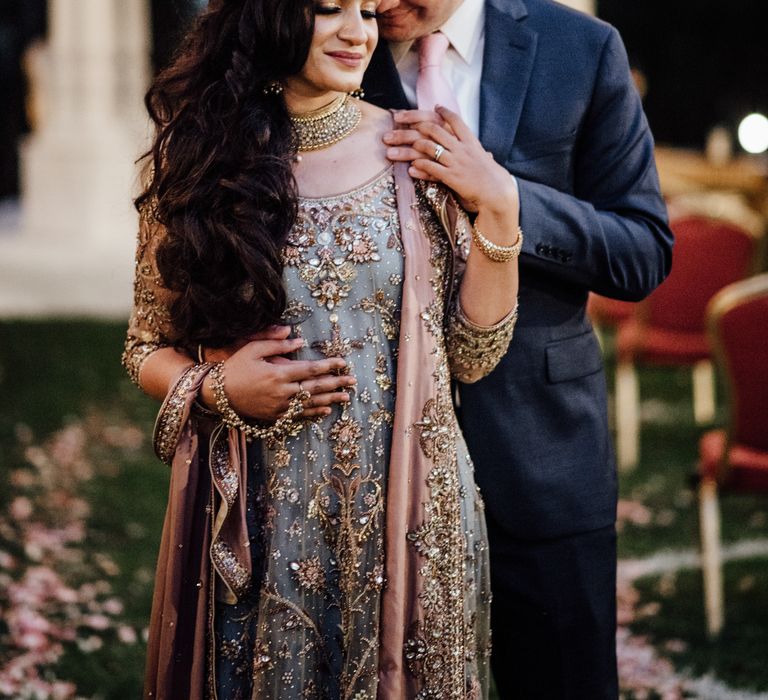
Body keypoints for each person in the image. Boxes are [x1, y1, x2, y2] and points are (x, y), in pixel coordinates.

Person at [122, 0, 522, 697]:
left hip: (410, 512)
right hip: (259, 515)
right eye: (328, 9)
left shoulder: (416, 149)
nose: (358, 31)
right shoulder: (199, 158)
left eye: (367, 9)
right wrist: (219, 389)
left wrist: (501, 208)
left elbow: (473, 355)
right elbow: (145, 345)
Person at [362, 0, 674, 697]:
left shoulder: (582, 49)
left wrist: (507, 196)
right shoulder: (332, 50)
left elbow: (642, 249)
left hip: (543, 452)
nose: (376, 4)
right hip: (375, 460)